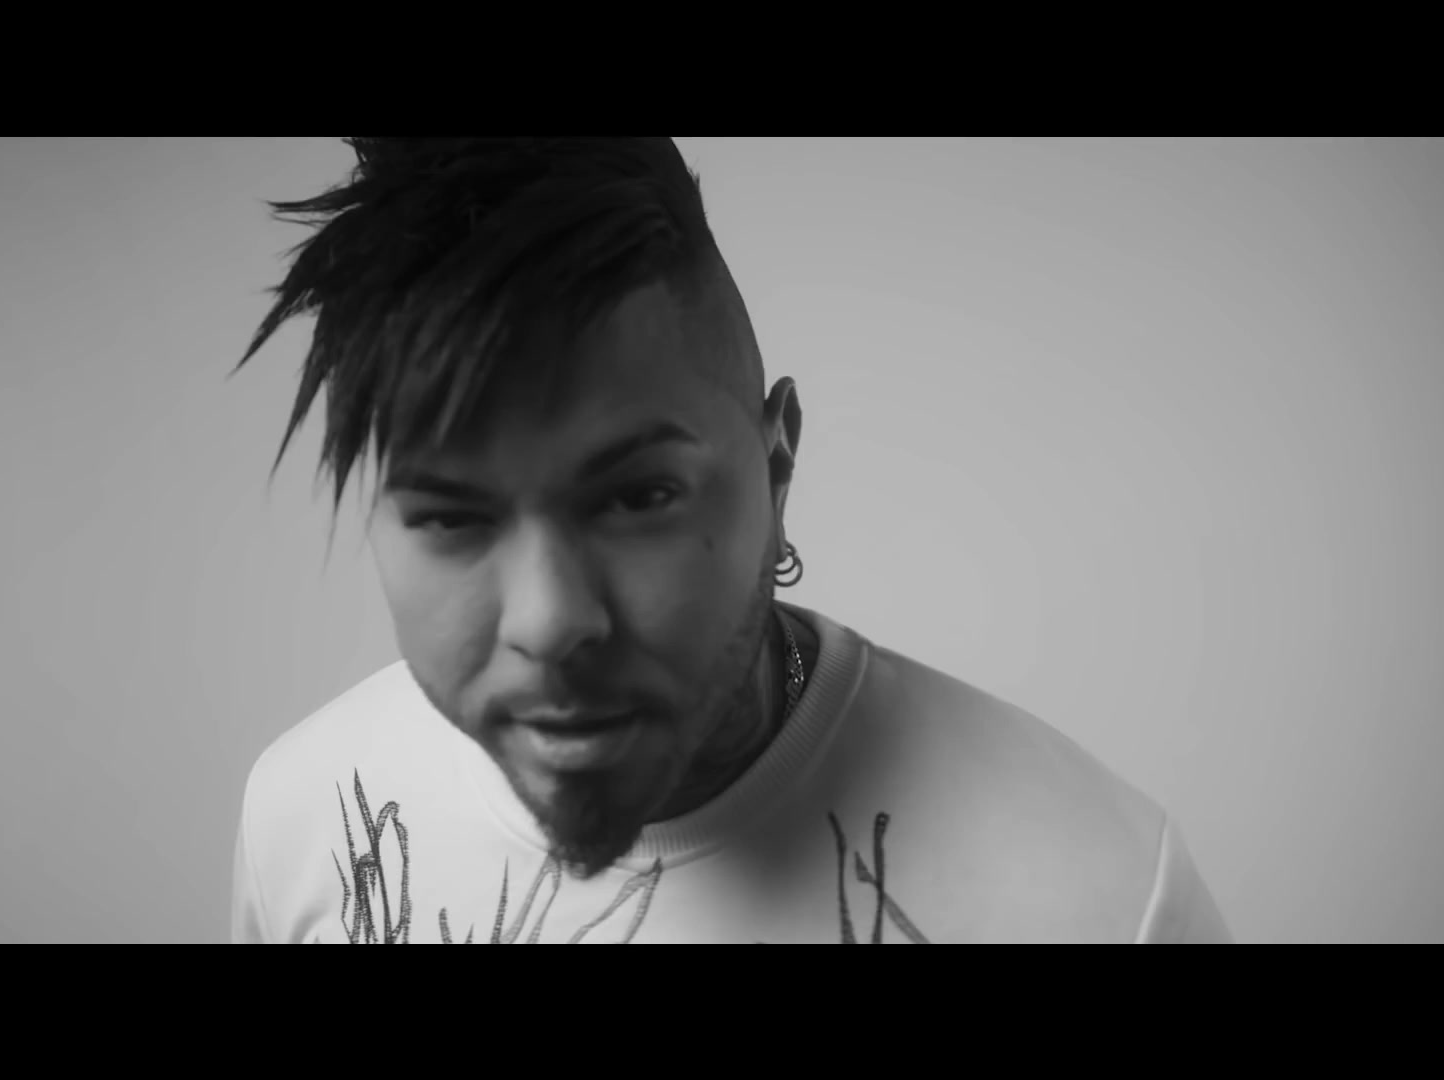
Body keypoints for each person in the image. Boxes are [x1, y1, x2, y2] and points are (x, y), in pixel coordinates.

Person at [225, 137, 1233, 944]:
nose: (550, 621)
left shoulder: (1101, 889)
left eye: (638, 497)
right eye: (451, 517)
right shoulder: (304, 816)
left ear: (776, 465)